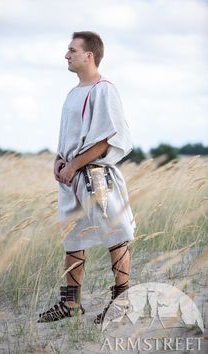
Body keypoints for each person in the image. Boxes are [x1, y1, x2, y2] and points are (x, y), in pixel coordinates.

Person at [38, 31, 136, 324]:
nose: (66, 55)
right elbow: (66, 139)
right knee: (73, 237)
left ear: (88, 55)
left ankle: (122, 303)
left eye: (71, 50)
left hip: (96, 177)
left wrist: (73, 166)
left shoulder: (104, 89)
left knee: (115, 234)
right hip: (71, 178)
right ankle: (71, 303)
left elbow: (107, 139)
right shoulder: (73, 93)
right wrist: (59, 162)